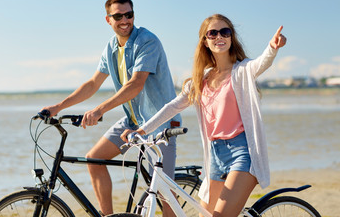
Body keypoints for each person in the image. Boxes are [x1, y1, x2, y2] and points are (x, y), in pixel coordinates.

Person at [121, 14, 287, 216]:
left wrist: (272, 48)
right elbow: (172, 107)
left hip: (243, 153)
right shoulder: (200, 80)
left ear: (231, 37)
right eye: (213, 33)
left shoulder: (242, 70)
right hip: (215, 156)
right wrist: (142, 130)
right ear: (205, 41)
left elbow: (262, 63)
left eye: (225, 32)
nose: (220, 36)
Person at [41, 0, 181, 215]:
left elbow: (136, 84)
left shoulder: (147, 41)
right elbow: (93, 83)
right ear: (108, 19)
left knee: (164, 192)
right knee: (94, 159)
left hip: (160, 121)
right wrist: (58, 107)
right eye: (118, 16)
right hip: (133, 121)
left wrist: (99, 110)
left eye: (129, 14)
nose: (125, 20)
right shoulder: (111, 48)